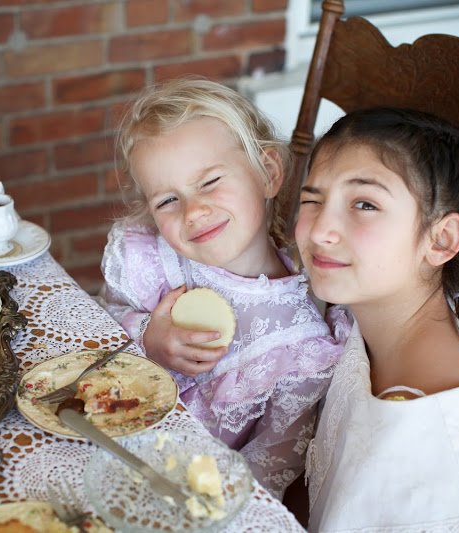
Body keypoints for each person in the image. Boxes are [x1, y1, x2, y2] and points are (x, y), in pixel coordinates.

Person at [295, 107, 459, 531]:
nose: (320, 230)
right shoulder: (384, 313)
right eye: (311, 199)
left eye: (364, 204)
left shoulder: (440, 474)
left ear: (441, 239)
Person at [97, 78, 347, 499]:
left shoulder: (299, 348)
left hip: (187, 499)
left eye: (210, 182)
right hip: (105, 439)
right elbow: (97, 320)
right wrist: (145, 336)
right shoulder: (154, 261)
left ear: (267, 174)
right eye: (167, 201)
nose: (194, 211)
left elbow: (270, 466)